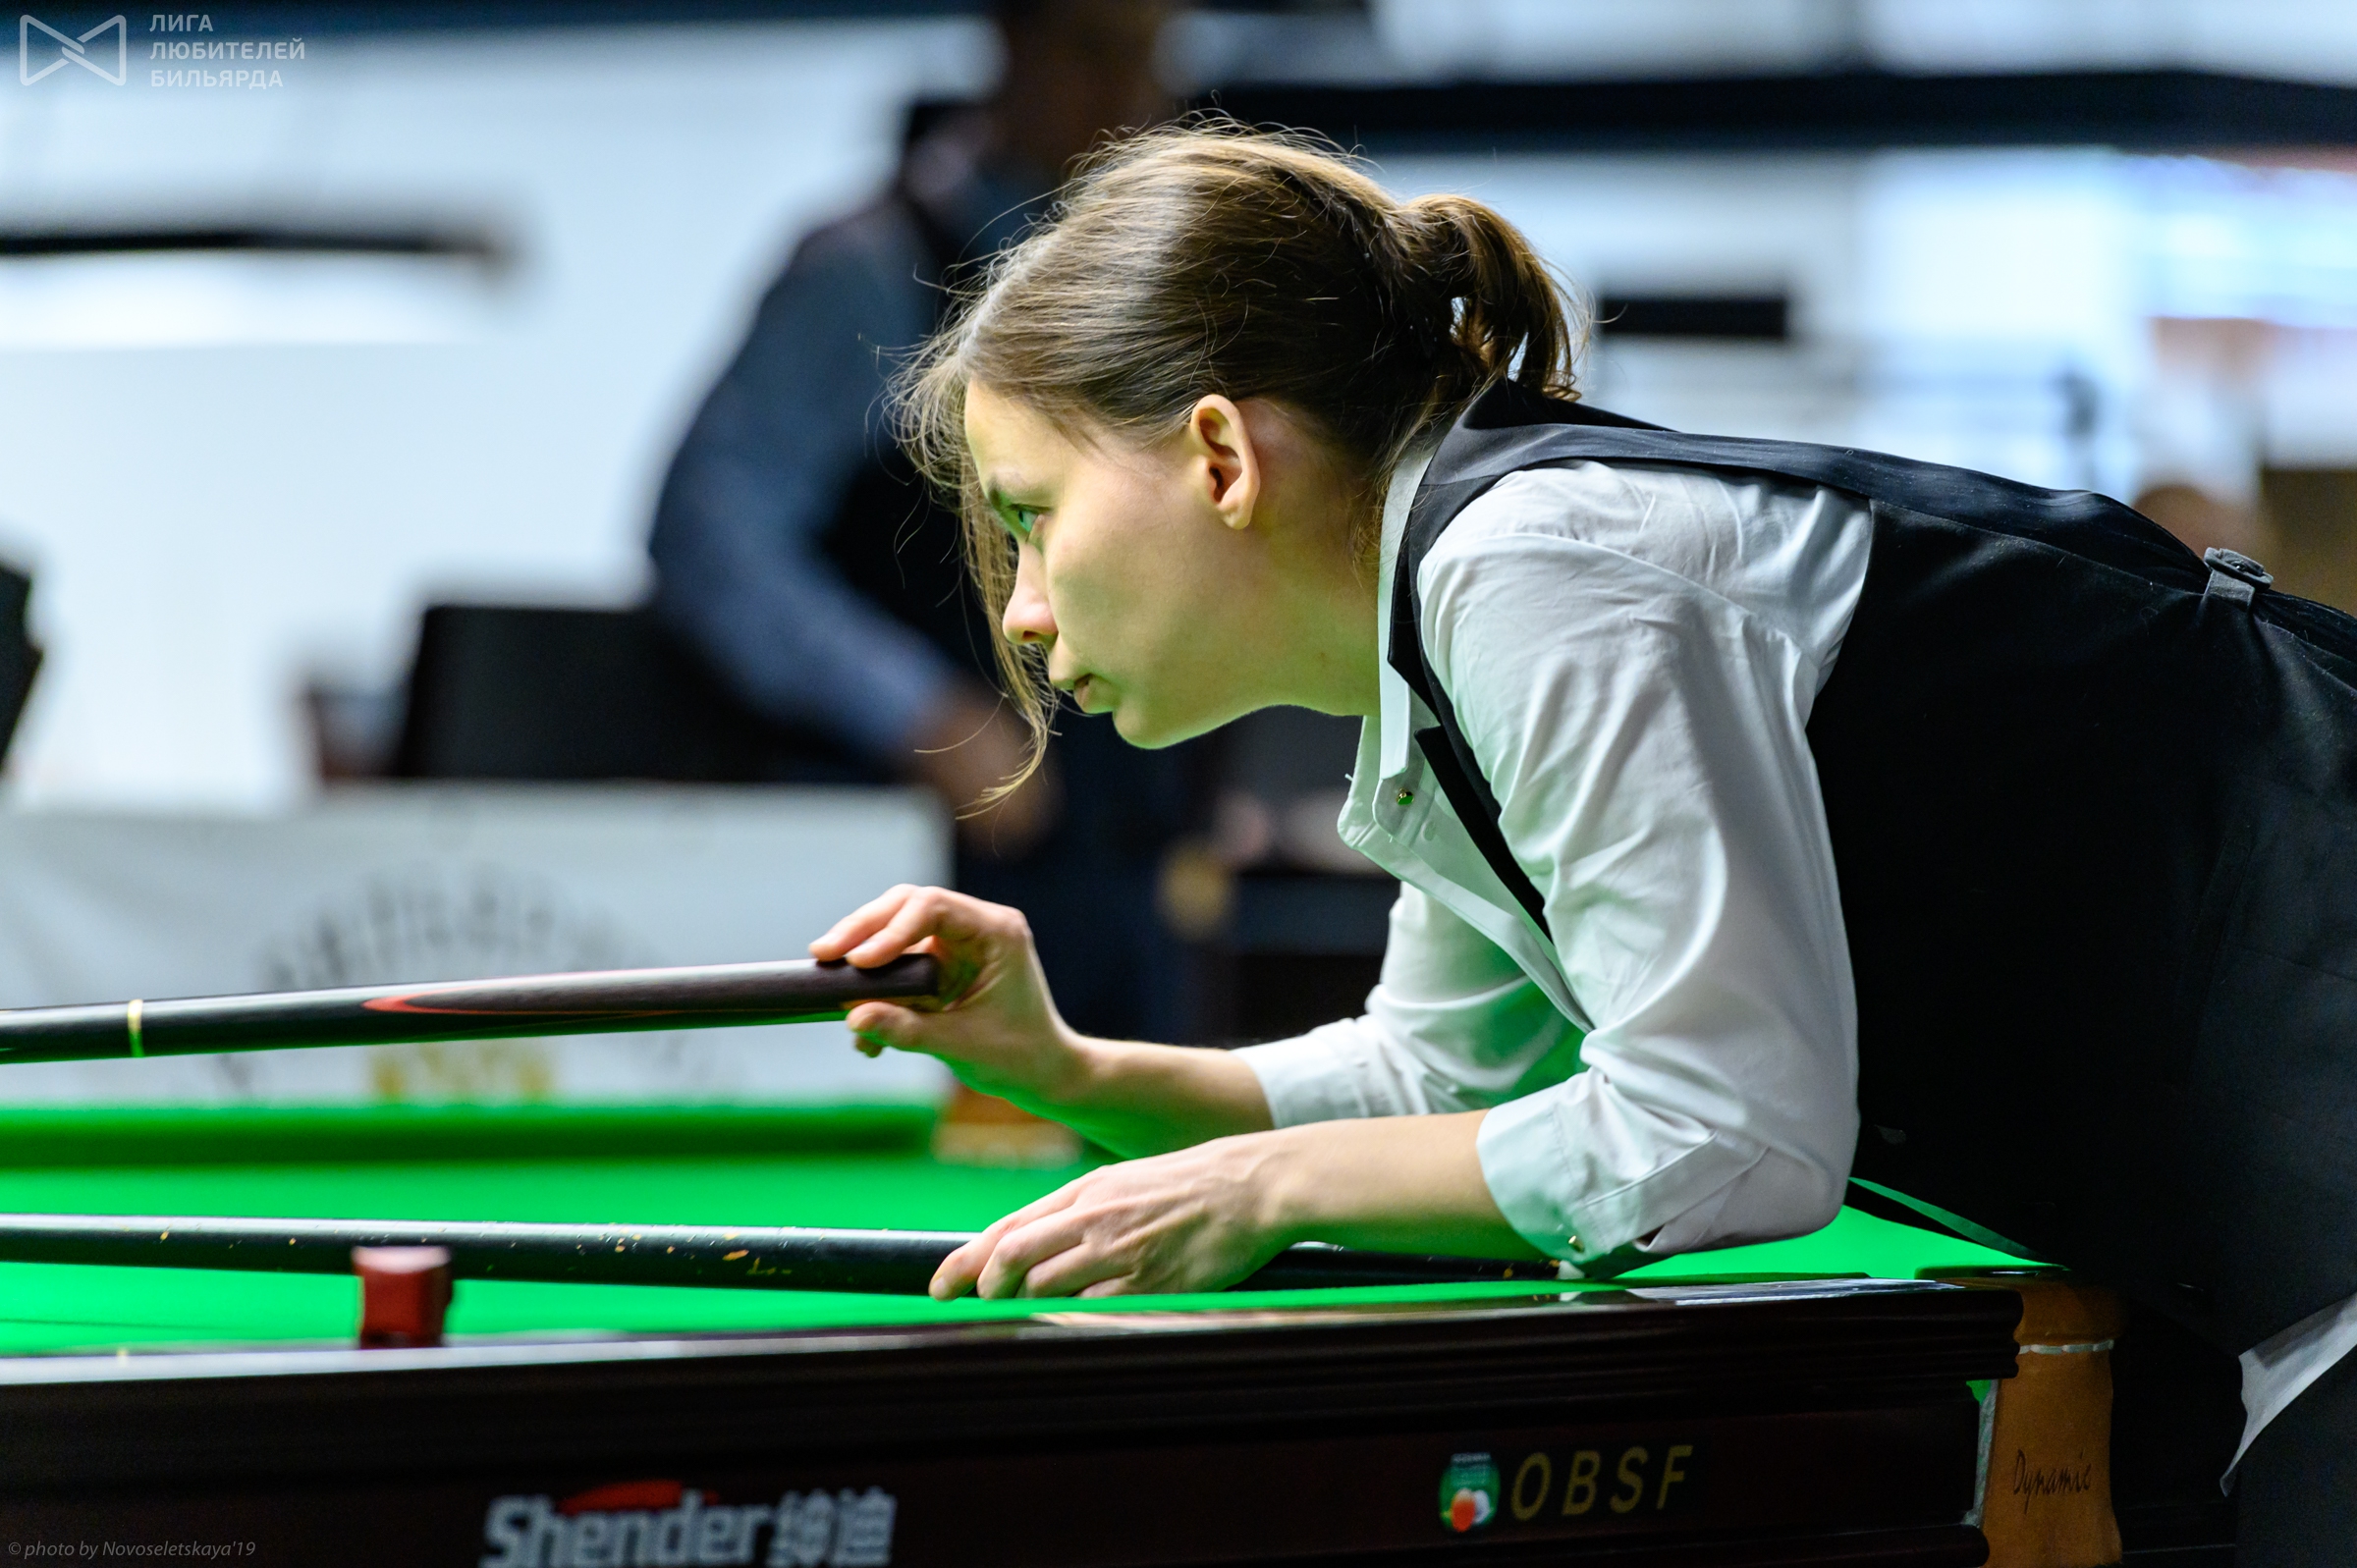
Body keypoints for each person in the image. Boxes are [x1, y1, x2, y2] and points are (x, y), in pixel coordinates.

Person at [803, 123, 2357, 1561]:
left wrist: (1265, 1184)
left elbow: (1724, 1131)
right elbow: (1448, 1080)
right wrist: (1074, 1071)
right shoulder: (1450, 621)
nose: (1021, 608)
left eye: (1033, 515)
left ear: (1220, 457)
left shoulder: (1531, 568)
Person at [648, 0, 1195, 1042]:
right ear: (1015, 41)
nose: (1133, 98)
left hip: (1116, 883)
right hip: (904, 886)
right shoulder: (868, 270)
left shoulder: (1152, 296)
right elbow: (711, 536)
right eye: (1099, 53)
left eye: (1154, 62)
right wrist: (915, 710)